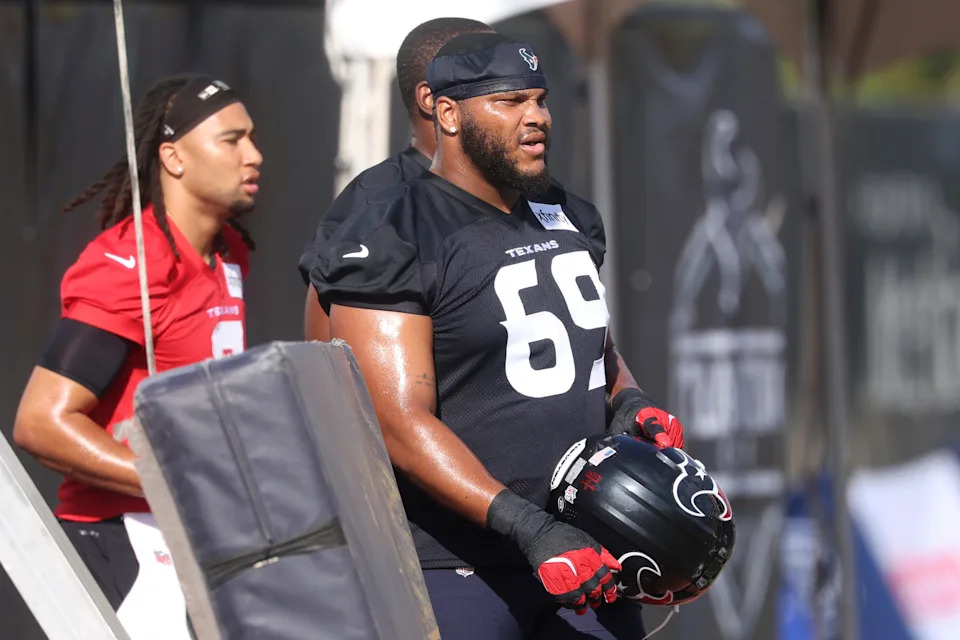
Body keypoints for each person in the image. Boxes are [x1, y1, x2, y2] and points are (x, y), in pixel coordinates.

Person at [307, 32, 685, 639]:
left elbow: (592, 346)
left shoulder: (568, 212)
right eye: (509, 101)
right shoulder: (396, 229)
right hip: (460, 564)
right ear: (448, 113)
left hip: (582, 549)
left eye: (539, 99)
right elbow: (397, 421)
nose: (535, 116)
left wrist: (630, 399)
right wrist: (528, 528)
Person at [13, 74, 261, 639]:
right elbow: (41, 423)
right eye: (231, 139)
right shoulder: (130, 264)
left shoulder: (230, 251)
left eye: (251, 138)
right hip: (124, 536)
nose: (254, 155)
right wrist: (182, 484)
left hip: (198, 534)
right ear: (173, 156)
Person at [299, 16, 492, 342]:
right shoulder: (378, 207)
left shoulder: (531, 190)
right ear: (433, 101)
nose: (514, 86)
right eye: (492, 77)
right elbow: (328, 364)